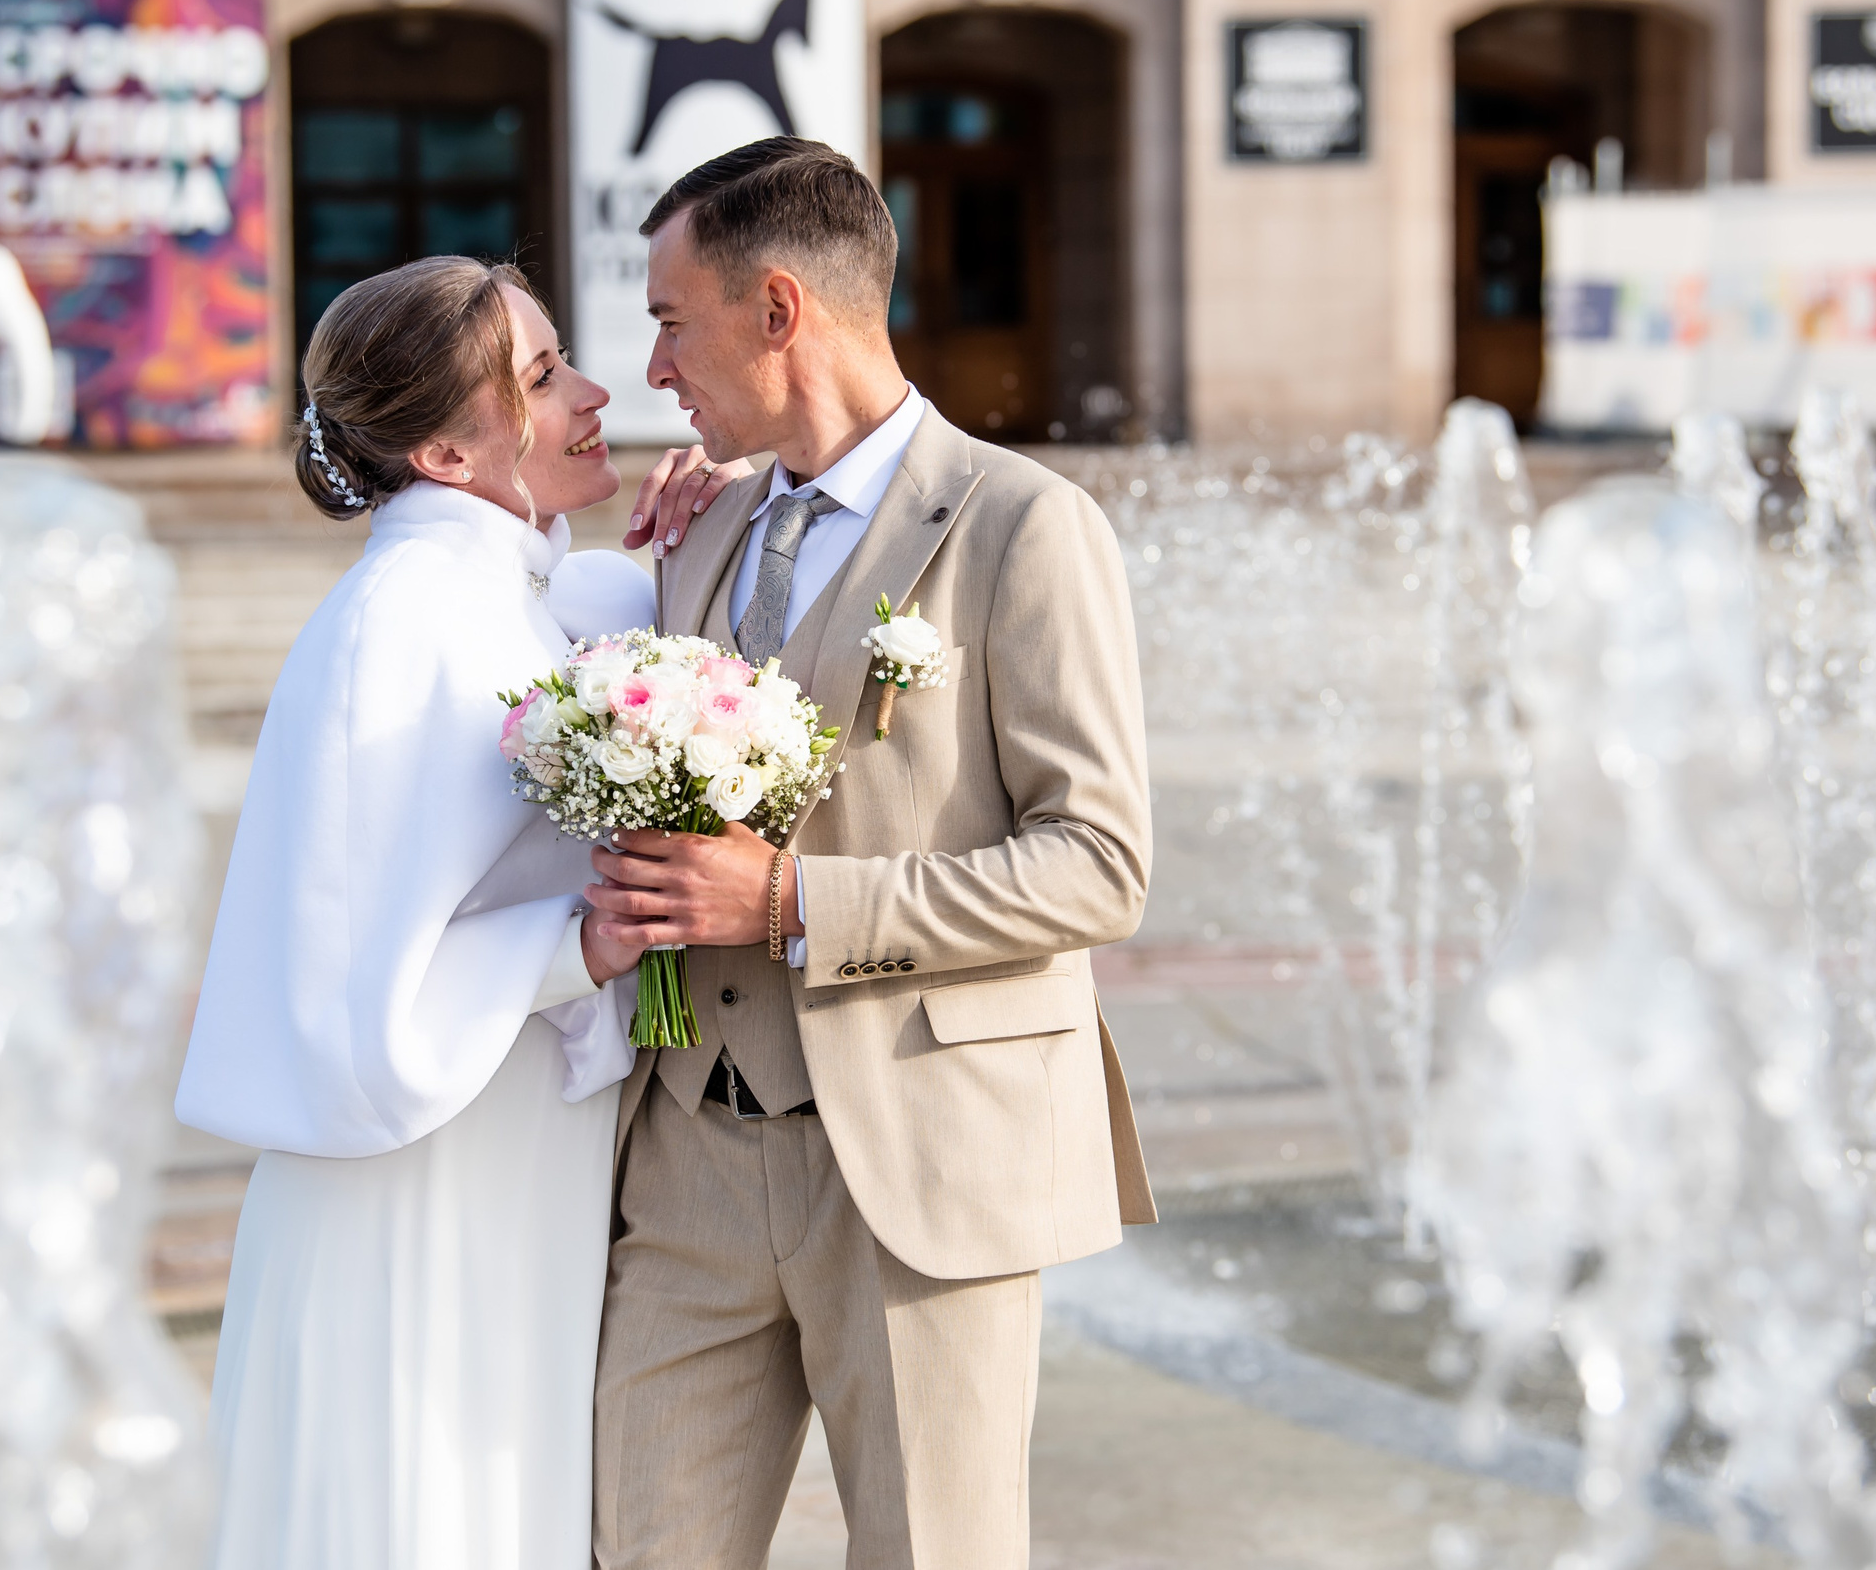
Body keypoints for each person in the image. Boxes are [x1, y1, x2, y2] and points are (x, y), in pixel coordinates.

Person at [584, 137, 1158, 1569]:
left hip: (918, 1168)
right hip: (689, 1168)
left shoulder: (1027, 527)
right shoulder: (696, 528)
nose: (655, 365)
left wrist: (792, 900)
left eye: (670, 319)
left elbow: (1098, 861)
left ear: (778, 310)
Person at [171, 255, 741, 1569]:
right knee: (424, 1489)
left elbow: (593, 625)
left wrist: (691, 558)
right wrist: (578, 945)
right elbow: (351, 972)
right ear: (441, 447)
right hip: (420, 1167)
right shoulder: (407, 624)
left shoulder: (506, 590)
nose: (599, 393)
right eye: (543, 377)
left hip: (505, 1137)